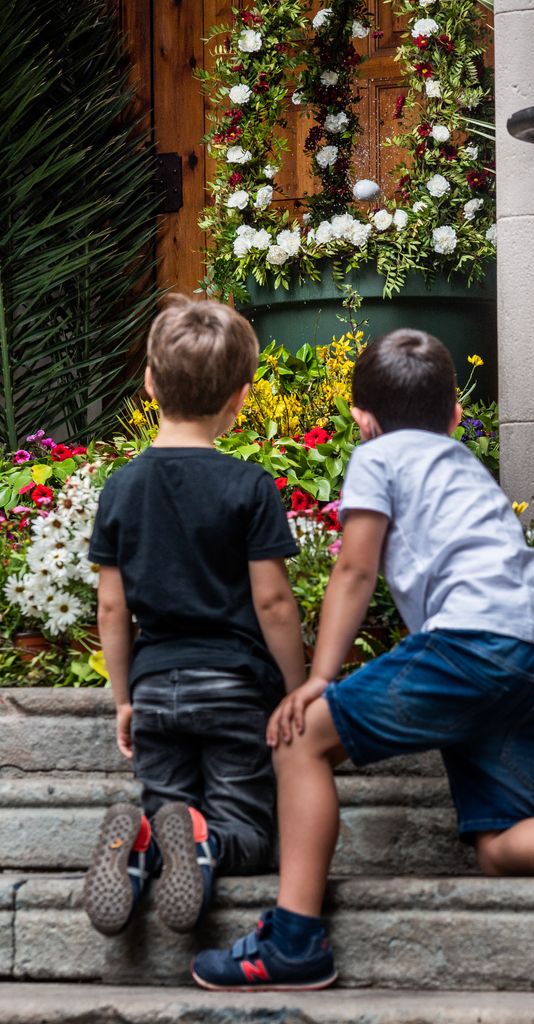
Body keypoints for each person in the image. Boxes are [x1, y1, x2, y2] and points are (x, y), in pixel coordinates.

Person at [192, 328, 534, 991]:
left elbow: (354, 571)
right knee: (496, 843)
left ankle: (295, 939)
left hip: (469, 647)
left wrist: (317, 682)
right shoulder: (466, 467)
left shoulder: (379, 455)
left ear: (362, 420)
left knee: (299, 741)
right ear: (455, 416)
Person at [84, 296, 305, 936]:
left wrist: (124, 698)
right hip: (235, 687)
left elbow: (111, 605)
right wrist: (295, 689)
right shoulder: (249, 485)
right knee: (246, 832)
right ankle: (204, 843)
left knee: (167, 807)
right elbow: (272, 601)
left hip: (155, 686)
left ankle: (143, 844)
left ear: (149, 382)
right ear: (240, 397)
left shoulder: (122, 487)